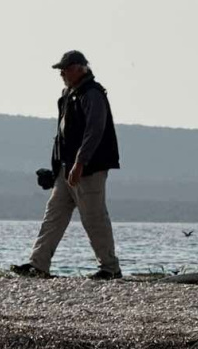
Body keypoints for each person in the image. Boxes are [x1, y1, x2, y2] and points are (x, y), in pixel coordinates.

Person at [11, 50, 122, 280]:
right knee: (53, 216)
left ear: (80, 68)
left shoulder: (92, 94)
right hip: (66, 169)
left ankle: (110, 269)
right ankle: (38, 265)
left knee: (94, 218)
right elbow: (63, 137)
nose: (61, 73)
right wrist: (55, 170)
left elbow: (95, 131)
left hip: (87, 169)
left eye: (66, 68)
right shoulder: (69, 94)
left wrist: (80, 163)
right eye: (61, 69)